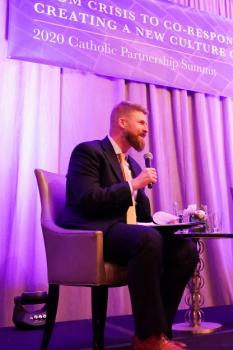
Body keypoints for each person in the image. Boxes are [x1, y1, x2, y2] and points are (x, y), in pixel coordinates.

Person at [58, 101, 198, 350]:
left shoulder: (132, 165)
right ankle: (147, 338)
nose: (146, 129)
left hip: (127, 234)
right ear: (122, 122)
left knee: (185, 249)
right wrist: (133, 185)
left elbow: (141, 214)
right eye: (141, 123)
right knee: (147, 239)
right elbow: (86, 199)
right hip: (94, 233)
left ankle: (158, 333)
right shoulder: (88, 152)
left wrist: (162, 219)